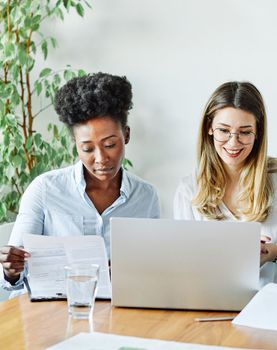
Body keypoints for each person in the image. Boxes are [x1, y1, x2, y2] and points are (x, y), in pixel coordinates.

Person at [0, 72, 160, 296]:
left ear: (126, 134)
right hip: (48, 313)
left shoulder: (145, 196)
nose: (101, 158)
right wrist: (10, 270)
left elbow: (151, 270)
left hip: (115, 312)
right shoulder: (45, 189)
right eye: (87, 148)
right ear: (75, 145)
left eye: (110, 144)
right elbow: (10, 279)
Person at [173, 81, 277, 286]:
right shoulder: (189, 190)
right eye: (223, 130)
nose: (233, 142)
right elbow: (182, 265)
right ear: (209, 129)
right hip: (211, 307)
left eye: (245, 132)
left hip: (276, 309)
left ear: (258, 134)